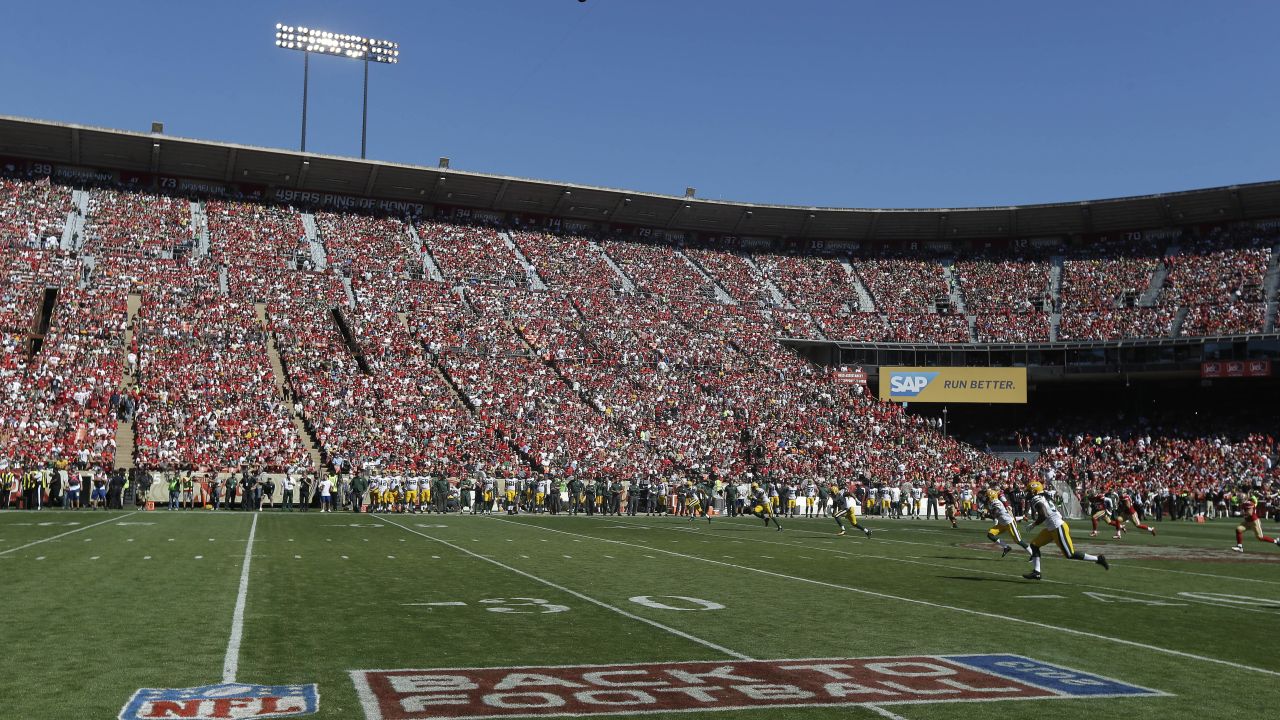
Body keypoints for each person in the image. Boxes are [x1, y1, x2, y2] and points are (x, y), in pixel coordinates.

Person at [1023, 481, 1109, 580]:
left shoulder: (1036, 498)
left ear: (1034, 491)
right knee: (1034, 545)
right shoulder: (1044, 496)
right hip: (1052, 527)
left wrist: (1034, 524)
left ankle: (1098, 559)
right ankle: (1036, 572)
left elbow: (1044, 515)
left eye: (1029, 491)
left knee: (1069, 554)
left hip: (1057, 526)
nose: (1028, 494)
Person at [983, 487, 1030, 558]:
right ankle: (1006, 547)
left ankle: (1033, 553)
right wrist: (985, 512)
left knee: (1018, 541)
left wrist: (986, 515)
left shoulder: (997, 503)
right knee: (990, 534)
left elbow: (995, 515)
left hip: (1009, 523)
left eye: (987, 496)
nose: (986, 498)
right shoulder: (992, 502)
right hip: (1002, 524)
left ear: (991, 497)